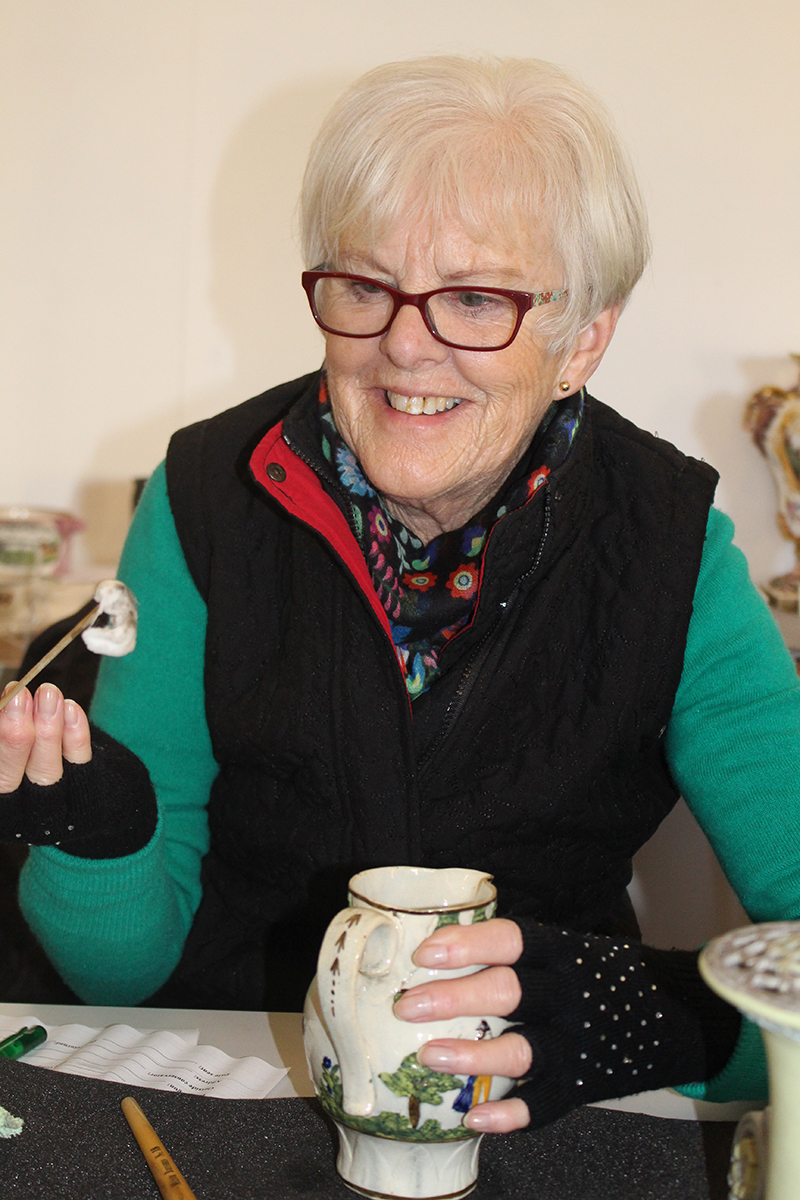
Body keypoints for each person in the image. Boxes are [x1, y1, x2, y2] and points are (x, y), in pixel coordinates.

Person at [0, 55, 798, 1135]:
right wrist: (94, 841)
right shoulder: (202, 497)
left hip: (536, 1113)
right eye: (365, 286)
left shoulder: (666, 549)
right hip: (236, 1085)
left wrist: (648, 1018)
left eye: (476, 297)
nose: (404, 344)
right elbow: (122, 984)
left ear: (584, 340)